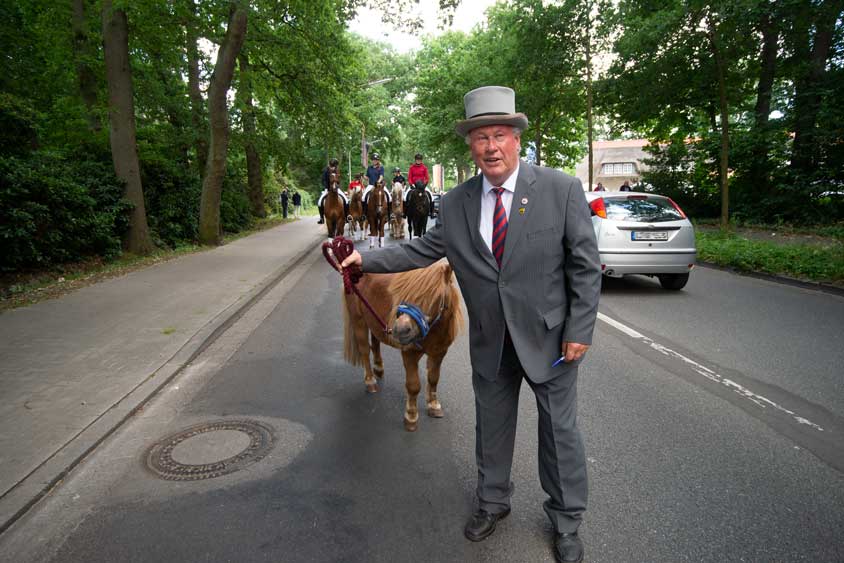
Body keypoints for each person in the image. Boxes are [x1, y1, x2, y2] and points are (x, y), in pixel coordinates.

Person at [340, 86, 601, 563]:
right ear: (471, 145)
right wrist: (366, 260)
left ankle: (566, 521)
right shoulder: (458, 201)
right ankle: (492, 502)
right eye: (481, 137)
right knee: (491, 428)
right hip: (490, 338)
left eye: (500, 135)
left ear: (516, 139)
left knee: (559, 434)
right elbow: (422, 249)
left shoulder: (560, 189)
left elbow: (584, 266)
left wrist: (580, 329)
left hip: (551, 340)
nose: (491, 146)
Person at [318, 158, 348, 223]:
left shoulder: (337, 171)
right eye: (332, 166)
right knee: (320, 202)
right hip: (328, 189)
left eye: (334, 166)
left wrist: (337, 184)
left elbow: (339, 180)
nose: (333, 167)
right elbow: (323, 180)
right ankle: (321, 218)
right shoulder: (326, 170)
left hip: (336, 188)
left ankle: (346, 217)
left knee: (346, 200)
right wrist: (326, 187)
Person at [408, 153, 435, 217]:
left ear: (421, 160)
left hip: (422, 186)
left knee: (432, 197)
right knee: (405, 197)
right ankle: (406, 212)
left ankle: (432, 212)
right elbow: (409, 177)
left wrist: (424, 184)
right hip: (414, 185)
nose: (418, 161)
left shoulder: (424, 168)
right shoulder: (412, 168)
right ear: (415, 160)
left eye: (419, 159)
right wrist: (411, 184)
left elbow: (427, 178)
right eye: (417, 159)